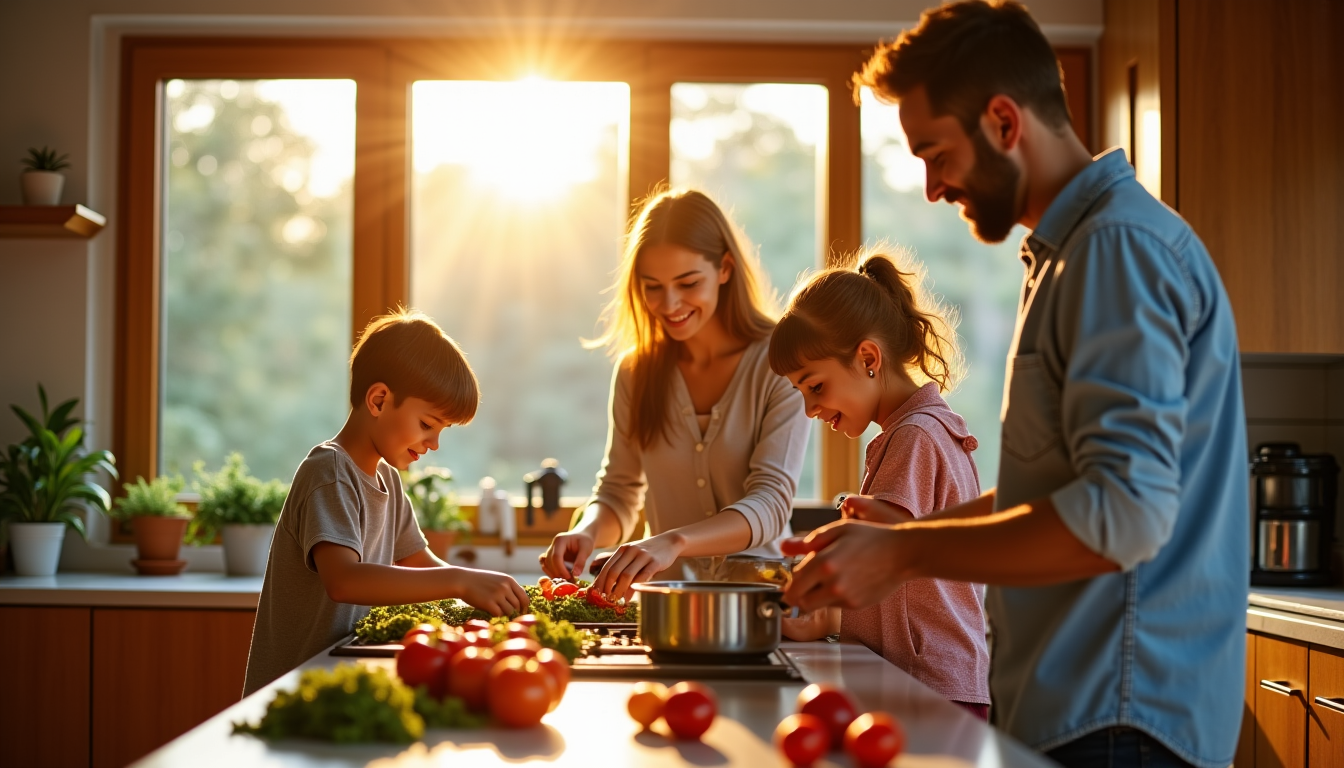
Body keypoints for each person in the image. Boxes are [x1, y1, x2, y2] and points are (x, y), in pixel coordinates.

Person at [782, 3, 1248, 768]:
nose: (931, 188)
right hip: (1091, 710)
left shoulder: (1116, 252)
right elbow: (1065, 490)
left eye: (935, 153)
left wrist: (902, 558)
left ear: (1003, 120)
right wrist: (902, 539)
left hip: (1121, 719)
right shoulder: (1073, 256)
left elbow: (1122, 516)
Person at [539, 188, 810, 600]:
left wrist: (674, 541)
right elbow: (618, 491)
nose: (669, 304)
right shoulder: (636, 371)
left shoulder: (780, 361)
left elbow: (771, 503)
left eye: (687, 283)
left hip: (763, 607)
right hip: (668, 607)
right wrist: (587, 531)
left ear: (724, 268)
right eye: (653, 287)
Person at [243, 309, 529, 695]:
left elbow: (423, 567)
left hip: (343, 684)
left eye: (441, 430)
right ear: (378, 400)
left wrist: (481, 599)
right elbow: (344, 581)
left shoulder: (389, 482)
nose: (434, 444)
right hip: (296, 692)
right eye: (427, 424)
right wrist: (461, 581)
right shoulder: (329, 472)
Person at [768, 249, 990, 720]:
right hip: (939, 682)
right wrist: (825, 618)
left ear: (868, 357)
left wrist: (799, 586)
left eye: (816, 386)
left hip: (926, 687)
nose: (809, 409)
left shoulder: (913, 436)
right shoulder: (927, 427)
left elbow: (877, 553)